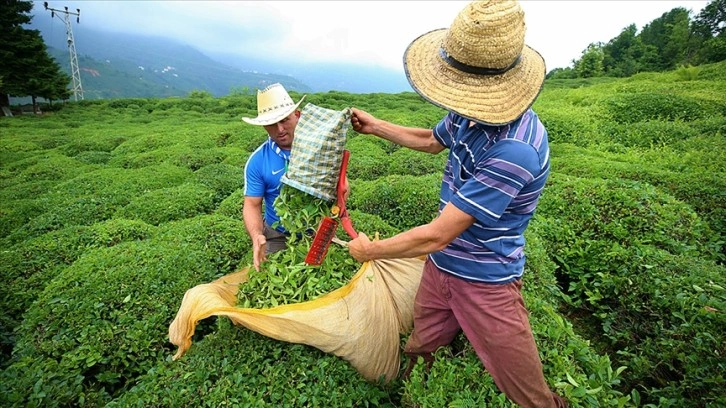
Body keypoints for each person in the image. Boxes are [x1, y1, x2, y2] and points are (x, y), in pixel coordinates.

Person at [347, 1, 567, 407]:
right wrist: (376, 126)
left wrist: (370, 250)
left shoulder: (515, 150)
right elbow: (432, 141)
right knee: (423, 342)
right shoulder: (470, 113)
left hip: (485, 278)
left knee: (524, 387)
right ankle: (415, 393)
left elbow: (438, 233)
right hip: (441, 265)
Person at [242, 83, 305, 270]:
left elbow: (342, 188)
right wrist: (256, 236)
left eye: (285, 120)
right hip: (278, 235)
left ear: (297, 115)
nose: (280, 129)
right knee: (267, 277)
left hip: (319, 231)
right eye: (271, 124)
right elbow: (252, 204)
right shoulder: (257, 161)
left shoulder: (320, 150)